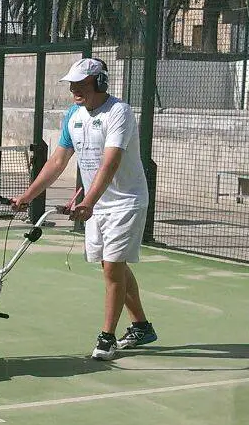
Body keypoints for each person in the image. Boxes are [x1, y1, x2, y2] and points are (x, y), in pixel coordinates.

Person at [10, 58, 157, 360]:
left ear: (99, 83)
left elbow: (110, 162)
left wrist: (87, 201)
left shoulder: (120, 112)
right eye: (72, 84)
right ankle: (142, 326)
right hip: (97, 204)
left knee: (113, 268)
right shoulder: (73, 115)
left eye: (81, 83)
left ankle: (107, 338)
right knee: (110, 266)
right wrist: (27, 195)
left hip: (125, 201)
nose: (74, 89)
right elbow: (57, 162)